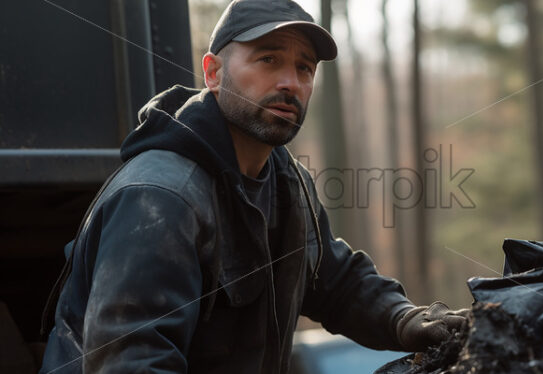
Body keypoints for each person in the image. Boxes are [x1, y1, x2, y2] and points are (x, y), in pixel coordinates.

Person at [39, 0, 468, 373]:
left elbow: (333, 282)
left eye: (304, 68)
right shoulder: (159, 198)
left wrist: (404, 320)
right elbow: (131, 362)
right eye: (268, 59)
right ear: (213, 72)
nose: (290, 82)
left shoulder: (288, 183)